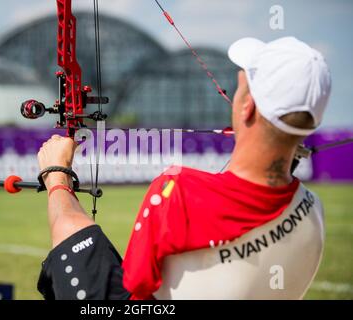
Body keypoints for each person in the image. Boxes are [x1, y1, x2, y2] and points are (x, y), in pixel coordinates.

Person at [36, 37, 331, 300]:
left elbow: (129, 290)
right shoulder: (312, 208)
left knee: (85, 254)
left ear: (247, 107)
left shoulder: (178, 192)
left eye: (239, 85)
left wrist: (56, 174)